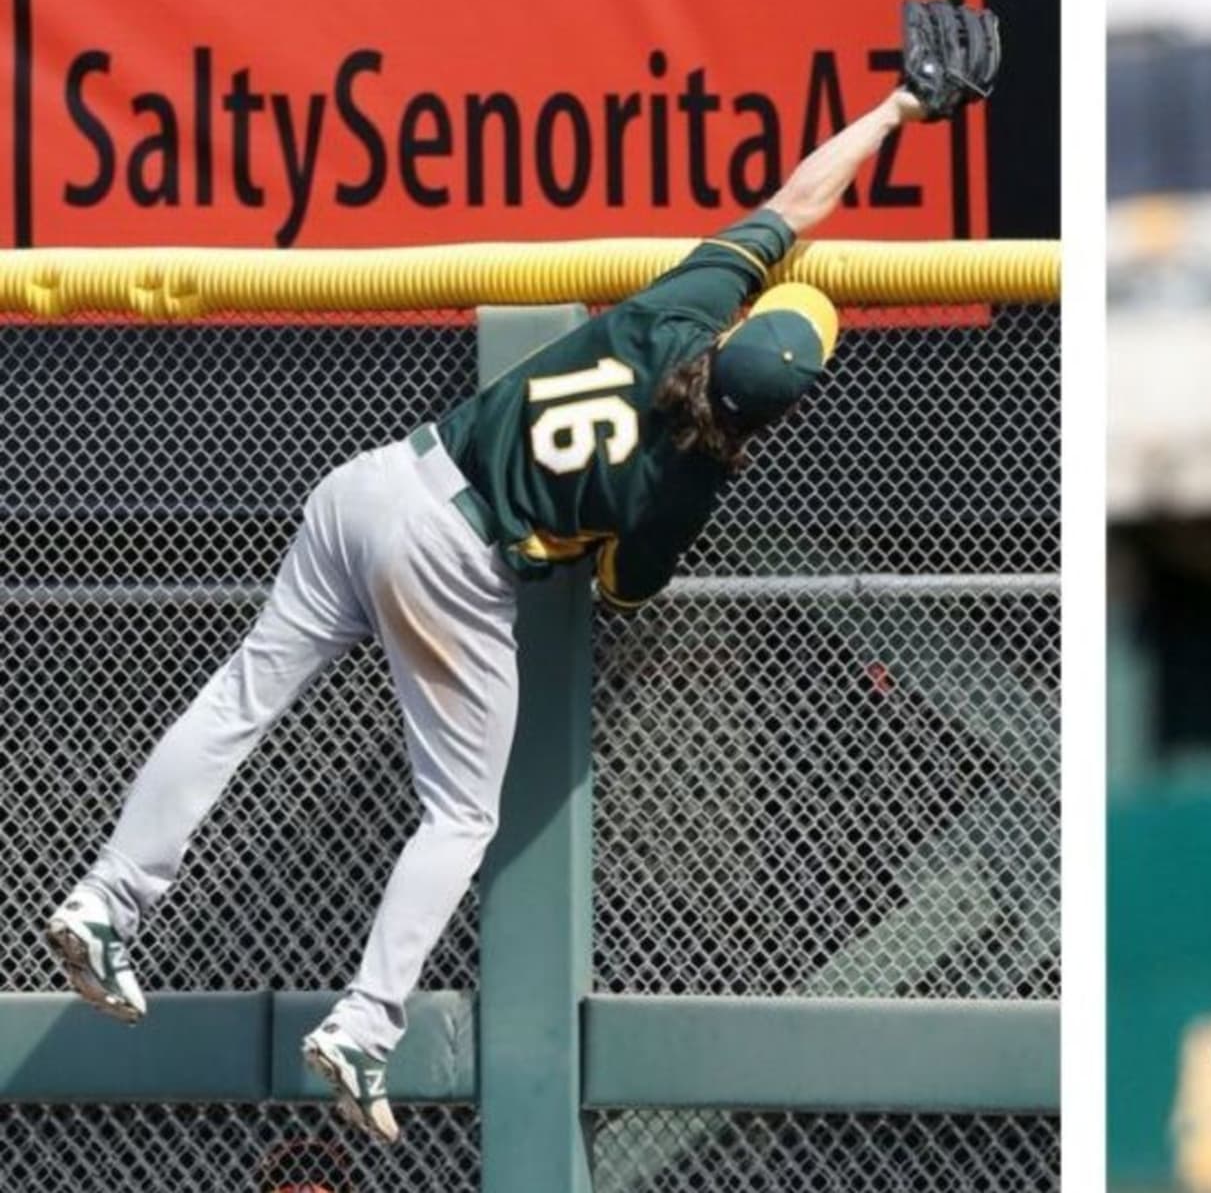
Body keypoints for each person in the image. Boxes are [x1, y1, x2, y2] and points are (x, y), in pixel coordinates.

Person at [44, 76, 951, 1146]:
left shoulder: (676, 313)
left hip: (379, 479)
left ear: (740, 322)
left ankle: (106, 902)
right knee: (463, 814)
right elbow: (621, 590)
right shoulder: (688, 480)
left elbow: (799, 201)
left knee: (237, 705)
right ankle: (365, 1022)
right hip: (455, 563)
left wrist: (898, 109)